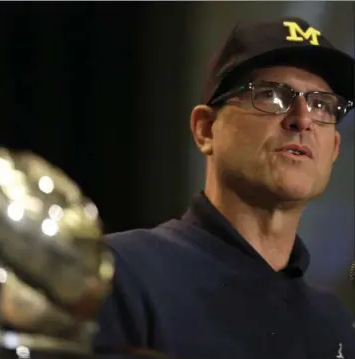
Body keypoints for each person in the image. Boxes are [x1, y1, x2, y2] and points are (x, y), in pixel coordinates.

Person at [93, 17, 355, 359]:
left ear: (333, 149)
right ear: (205, 130)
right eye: (272, 95)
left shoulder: (335, 326)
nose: (302, 119)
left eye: (322, 105)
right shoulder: (120, 275)